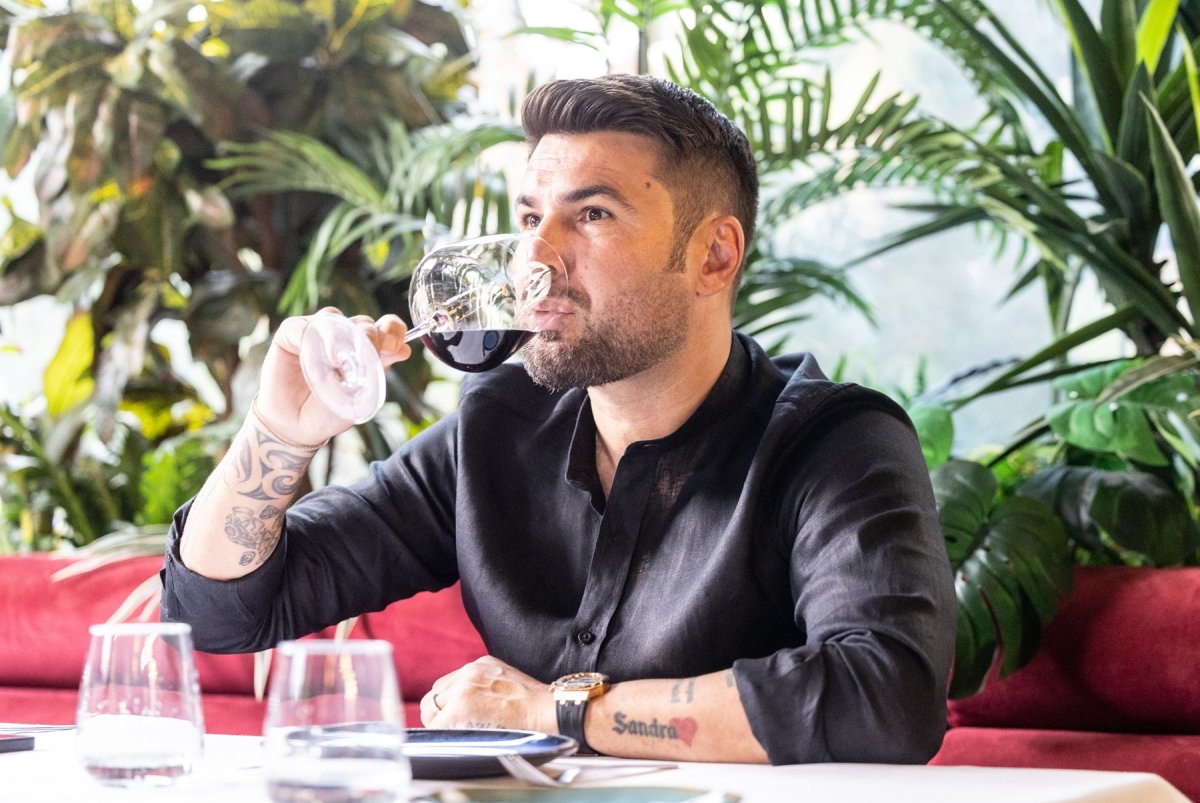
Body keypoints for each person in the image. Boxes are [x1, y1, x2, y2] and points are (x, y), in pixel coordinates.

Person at [161, 73, 955, 765]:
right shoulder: (498, 428)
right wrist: (277, 433)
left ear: (714, 255)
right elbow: (215, 612)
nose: (535, 258)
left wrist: (558, 710)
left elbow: (887, 695)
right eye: (529, 215)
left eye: (593, 214)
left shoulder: (833, 444)